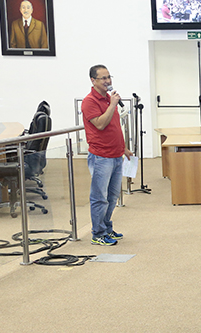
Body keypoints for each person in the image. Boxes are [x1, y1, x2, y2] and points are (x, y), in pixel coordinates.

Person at [81, 65, 133, 246]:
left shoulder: (107, 99)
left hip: (116, 154)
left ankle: (106, 227)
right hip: (101, 157)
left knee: (112, 197)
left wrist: (124, 148)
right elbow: (101, 124)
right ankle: (97, 233)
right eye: (103, 78)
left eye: (109, 77)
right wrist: (112, 105)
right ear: (93, 81)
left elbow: (114, 128)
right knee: (99, 197)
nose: (107, 81)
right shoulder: (89, 102)